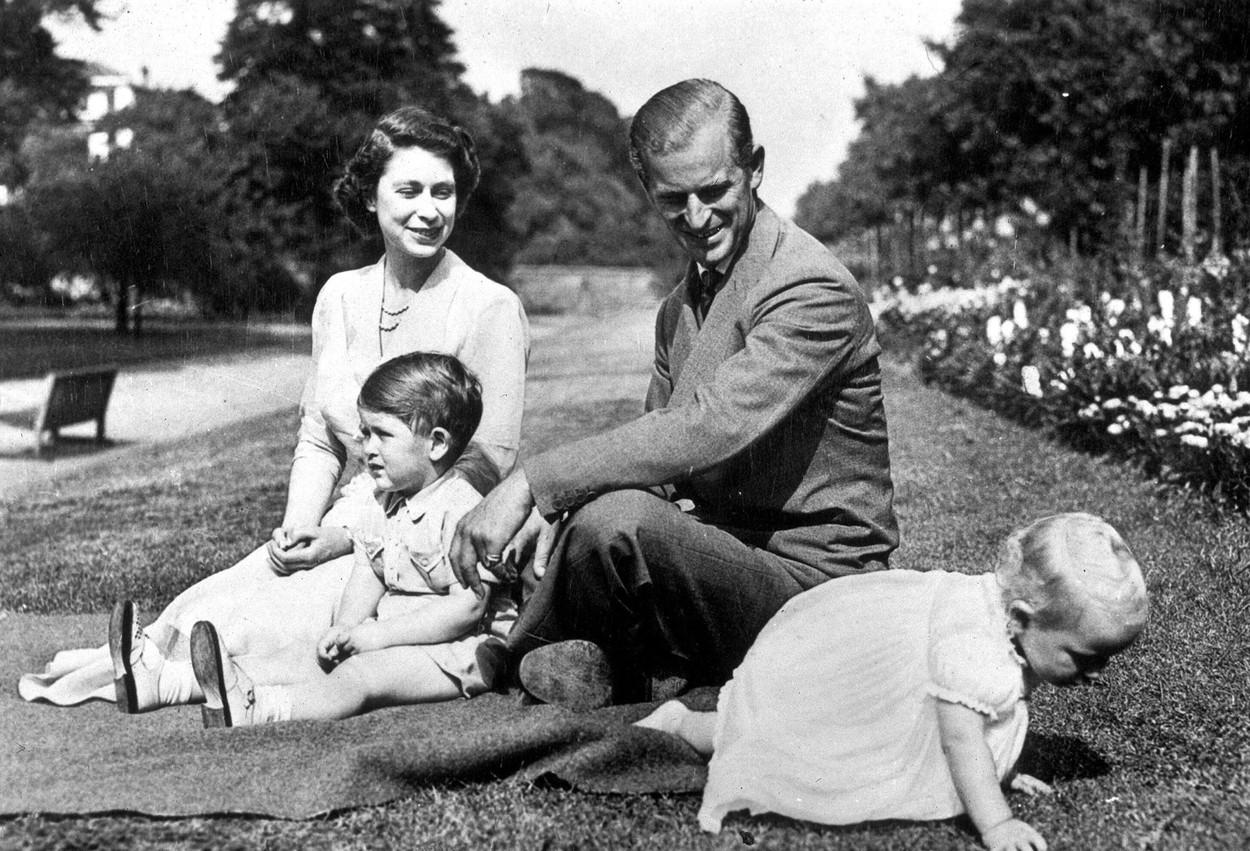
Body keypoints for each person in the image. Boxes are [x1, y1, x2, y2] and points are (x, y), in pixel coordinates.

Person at [19, 106, 529, 711]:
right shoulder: (340, 297)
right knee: (219, 599)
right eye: (409, 190)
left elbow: (486, 464)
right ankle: (149, 664)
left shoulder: (488, 306)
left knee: (277, 625)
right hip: (342, 518)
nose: (429, 210)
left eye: (443, 192)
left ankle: (168, 680)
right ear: (370, 196)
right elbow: (319, 435)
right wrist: (298, 531)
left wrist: (346, 538)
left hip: (426, 544)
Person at [450, 78, 897, 706]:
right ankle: (592, 655)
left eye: (714, 191)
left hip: (821, 588)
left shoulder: (809, 287)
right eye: (673, 199)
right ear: (648, 192)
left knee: (617, 522)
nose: (697, 217)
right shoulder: (679, 307)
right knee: (594, 516)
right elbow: (656, 466)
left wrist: (534, 484)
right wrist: (557, 513)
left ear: (755, 169)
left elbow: (706, 428)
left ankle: (519, 657)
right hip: (723, 558)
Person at [636, 513, 1150, 851]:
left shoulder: (1017, 631)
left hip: (901, 690)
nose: (1096, 673)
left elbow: (995, 716)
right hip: (855, 687)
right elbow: (961, 740)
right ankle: (683, 724)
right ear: (1020, 616)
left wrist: (1004, 768)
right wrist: (997, 822)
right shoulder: (974, 650)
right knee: (789, 741)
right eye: (1084, 657)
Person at [189, 352, 510, 726]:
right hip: (396, 635)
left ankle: (263, 709)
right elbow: (368, 570)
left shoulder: (462, 509)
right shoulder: (384, 499)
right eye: (365, 432)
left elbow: (467, 609)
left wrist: (374, 638)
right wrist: (345, 627)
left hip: (462, 651)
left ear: (436, 443)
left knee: (361, 676)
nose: (368, 448)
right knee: (310, 654)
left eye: (383, 435)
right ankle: (193, 680)